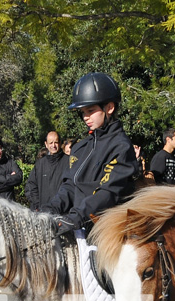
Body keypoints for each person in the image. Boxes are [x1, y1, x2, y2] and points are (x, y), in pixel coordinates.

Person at [37, 72, 136, 233]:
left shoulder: (121, 147)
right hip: (79, 224)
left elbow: (107, 193)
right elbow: (69, 186)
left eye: (90, 110)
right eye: (83, 112)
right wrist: (49, 209)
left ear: (109, 108)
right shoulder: (80, 147)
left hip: (109, 230)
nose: (85, 117)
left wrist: (75, 218)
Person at [25, 131, 69, 209]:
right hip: (43, 212)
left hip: (63, 212)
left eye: (56, 142)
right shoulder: (40, 164)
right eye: (51, 143)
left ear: (60, 143)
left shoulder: (68, 162)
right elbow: (31, 185)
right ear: (46, 144)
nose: (53, 145)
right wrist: (37, 204)